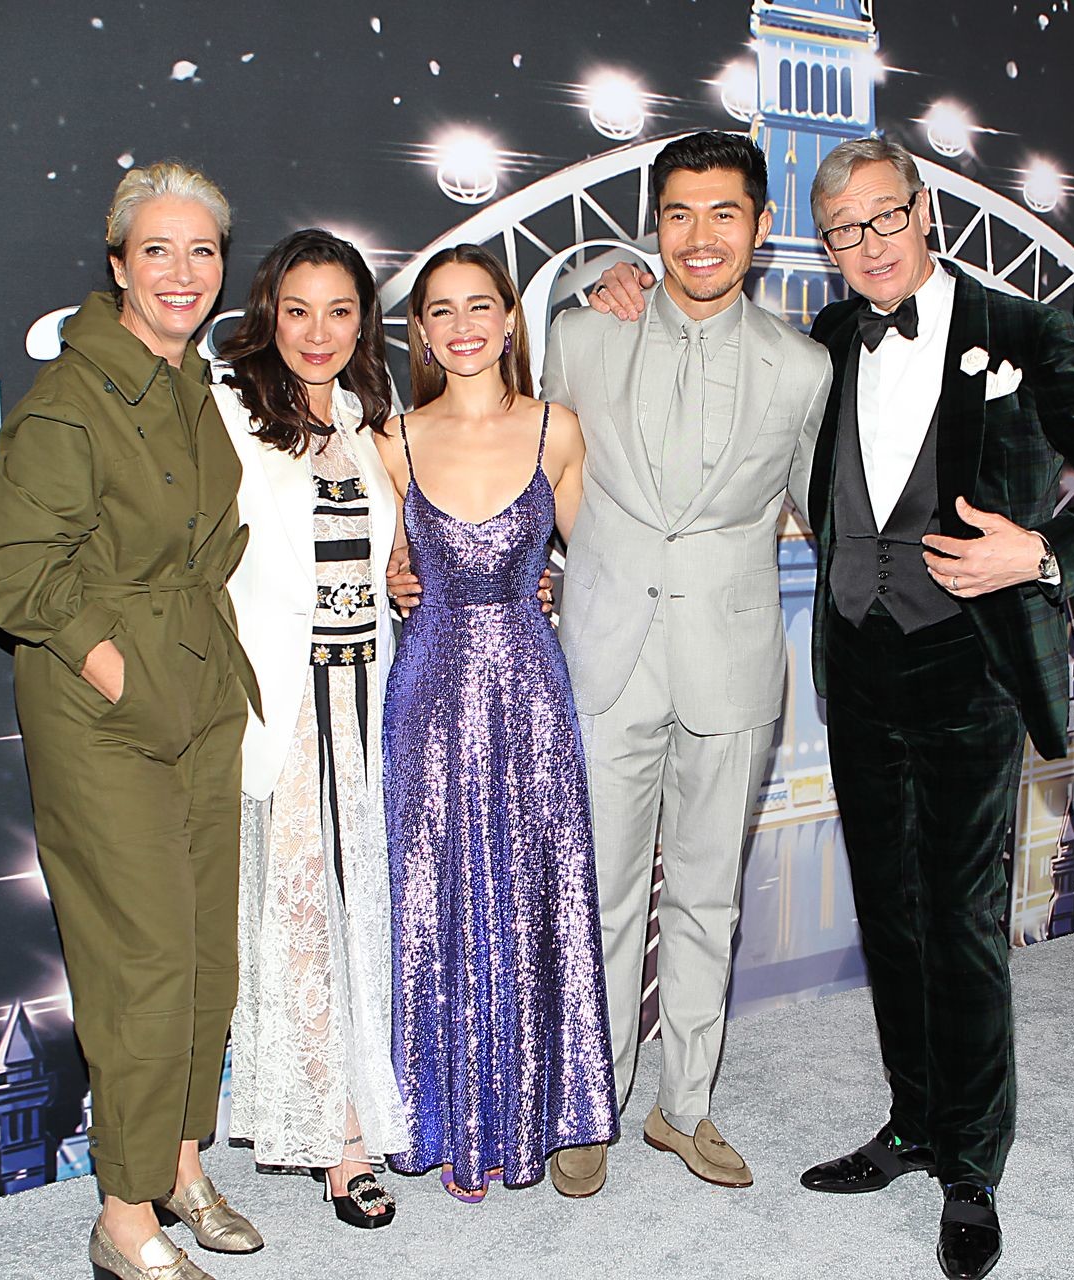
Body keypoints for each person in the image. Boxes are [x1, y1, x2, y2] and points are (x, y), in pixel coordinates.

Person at [592, 133, 1074, 1278]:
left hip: (969, 667)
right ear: (822, 244)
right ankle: (913, 1121)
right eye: (842, 230)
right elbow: (704, 368)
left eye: (883, 217)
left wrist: (1043, 553)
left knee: (961, 922)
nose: (866, 244)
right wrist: (617, 283)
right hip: (860, 665)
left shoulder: (1021, 332)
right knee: (892, 914)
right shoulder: (820, 342)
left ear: (925, 212)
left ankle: (972, 1163)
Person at [0, 161, 264, 1280]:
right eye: (158, 250)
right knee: (140, 963)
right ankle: (124, 1216)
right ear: (118, 264)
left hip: (203, 691)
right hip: (107, 714)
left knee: (203, 955)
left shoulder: (190, 381)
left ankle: (180, 1163)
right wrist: (115, 668)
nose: (183, 272)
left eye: (202, 251)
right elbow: (8, 566)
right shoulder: (71, 399)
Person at [539, 131, 831, 1198]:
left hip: (733, 658)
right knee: (604, 896)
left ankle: (686, 1104)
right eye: (678, 214)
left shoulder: (804, 367)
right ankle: (592, 1103)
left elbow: (825, 511)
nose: (700, 237)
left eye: (723, 214)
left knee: (708, 897)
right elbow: (537, 471)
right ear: (653, 226)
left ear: (761, 226)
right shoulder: (582, 334)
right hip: (606, 653)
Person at [374, 244, 614, 1202]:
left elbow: (601, 566)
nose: (464, 324)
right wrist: (393, 576)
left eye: (481, 305)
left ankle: (529, 1115)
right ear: (421, 333)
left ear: (511, 318)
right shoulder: (391, 441)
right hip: (427, 694)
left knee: (530, 888)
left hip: (529, 691)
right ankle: (444, 1118)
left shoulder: (559, 430)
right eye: (442, 310)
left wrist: (553, 582)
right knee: (433, 893)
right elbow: (375, 563)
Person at [210, 229, 404, 1229]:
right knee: (302, 924)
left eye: (339, 311)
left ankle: (368, 1100)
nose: (318, 332)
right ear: (268, 315)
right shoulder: (228, 410)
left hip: (371, 698)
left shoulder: (371, 419)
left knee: (364, 912)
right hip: (286, 705)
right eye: (298, 310)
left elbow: (388, 555)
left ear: (363, 322)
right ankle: (338, 1139)